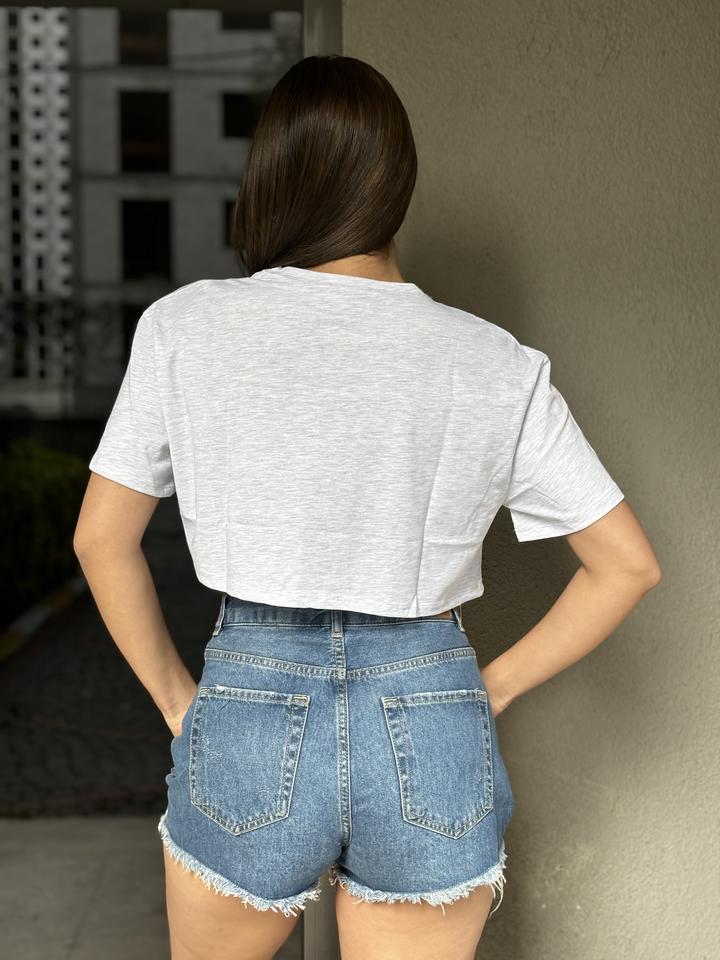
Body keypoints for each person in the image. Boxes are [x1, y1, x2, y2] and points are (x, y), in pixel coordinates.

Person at [73, 54, 662, 960]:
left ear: (269, 179)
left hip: (249, 702)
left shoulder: (185, 329)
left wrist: (179, 701)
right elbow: (628, 565)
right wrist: (488, 688)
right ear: (396, 185)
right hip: (430, 706)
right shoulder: (493, 359)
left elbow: (100, 540)